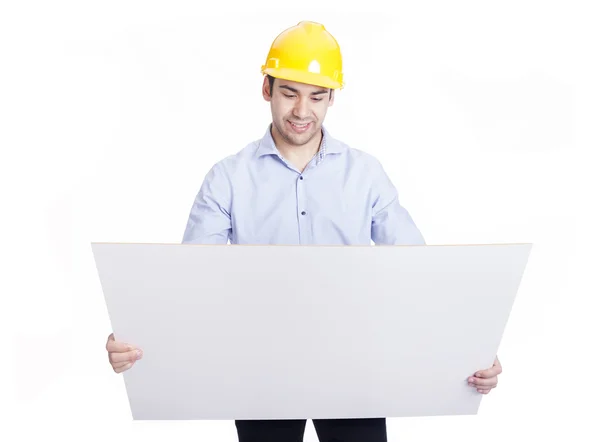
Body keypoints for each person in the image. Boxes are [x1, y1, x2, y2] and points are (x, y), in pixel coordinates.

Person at [105, 21, 503, 442]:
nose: (301, 111)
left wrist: (469, 349)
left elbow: (419, 273)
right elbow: (190, 282)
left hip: (354, 369)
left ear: (332, 98)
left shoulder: (365, 175)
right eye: (289, 93)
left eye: (316, 96)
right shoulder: (227, 179)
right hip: (260, 371)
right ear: (267, 90)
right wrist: (136, 336)